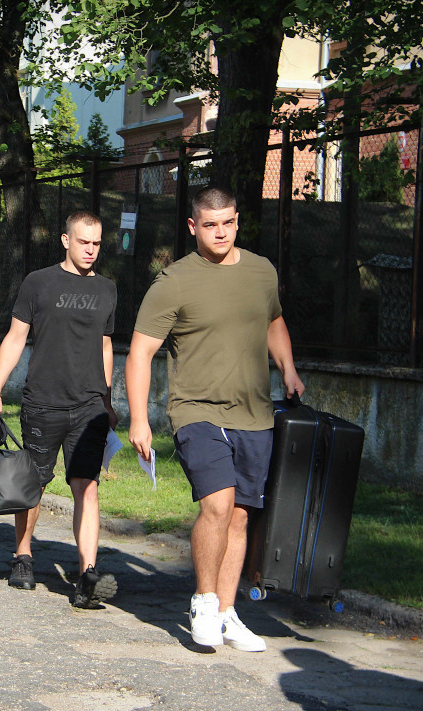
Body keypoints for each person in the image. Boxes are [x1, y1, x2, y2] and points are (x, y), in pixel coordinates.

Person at [124, 185, 305, 652]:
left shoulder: (262, 271)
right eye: (210, 224)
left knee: (241, 517)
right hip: (196, 411)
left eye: (227, 222)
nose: (220, 232)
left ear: (238, 221)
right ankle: (204, 602)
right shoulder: (174, 282)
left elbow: (273, 321)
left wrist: (288, 368)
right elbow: (141, 353)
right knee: (217, 506)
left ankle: (227, 611)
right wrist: (139, 419)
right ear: (193, 227)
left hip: (254, 412)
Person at [0, 210, 119, 608]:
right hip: (43, 401)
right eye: (83, 242)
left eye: (96, 243)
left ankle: (87, 574)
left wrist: (108, 401)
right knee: (36, 482)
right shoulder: (38, 283)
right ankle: (23, 555)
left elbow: (107, 345)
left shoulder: (108, 289)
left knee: (86, 486)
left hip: (90, 405)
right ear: (65, 240)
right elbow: (14, 338)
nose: (91, 250)